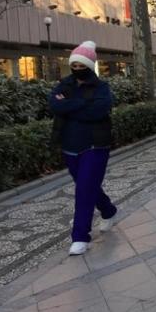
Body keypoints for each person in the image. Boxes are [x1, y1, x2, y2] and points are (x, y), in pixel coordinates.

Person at [49, 41, 117, 256]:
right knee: (88, 186)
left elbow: (98, 112)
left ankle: (80, 236)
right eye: (74, 65)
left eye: (82, 65)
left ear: (90, 64)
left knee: (84, 189)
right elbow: (54, 105)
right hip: (69, 145)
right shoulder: (64, 84)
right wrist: (81, 104)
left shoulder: (102, 88)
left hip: (95, 145)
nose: (78, 69)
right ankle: (108, 210)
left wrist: (70, 106)